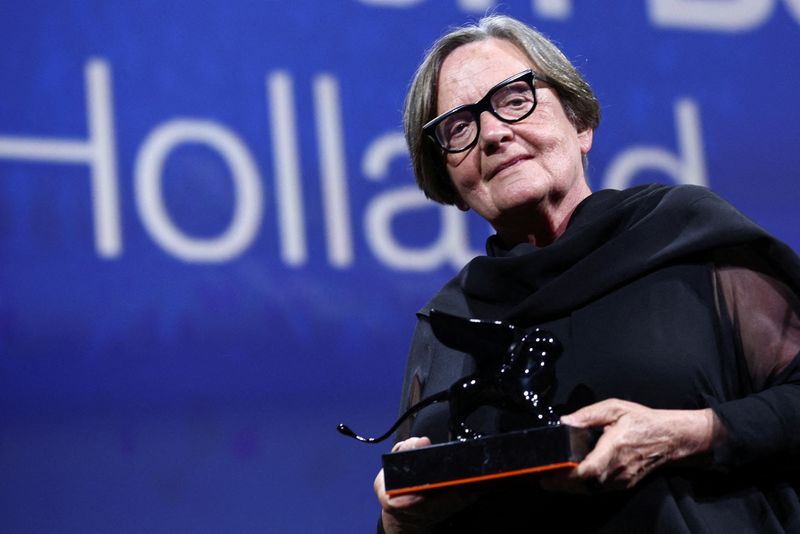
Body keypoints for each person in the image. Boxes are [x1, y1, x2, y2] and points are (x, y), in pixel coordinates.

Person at [372, 14, 800, 534]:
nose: (492, 134)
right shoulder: (447, 323)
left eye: (513, 99)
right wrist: (397, 523)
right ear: (449, 180)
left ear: (580, 123)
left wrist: (690, 433)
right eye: (459, 127)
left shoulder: (685, 239)